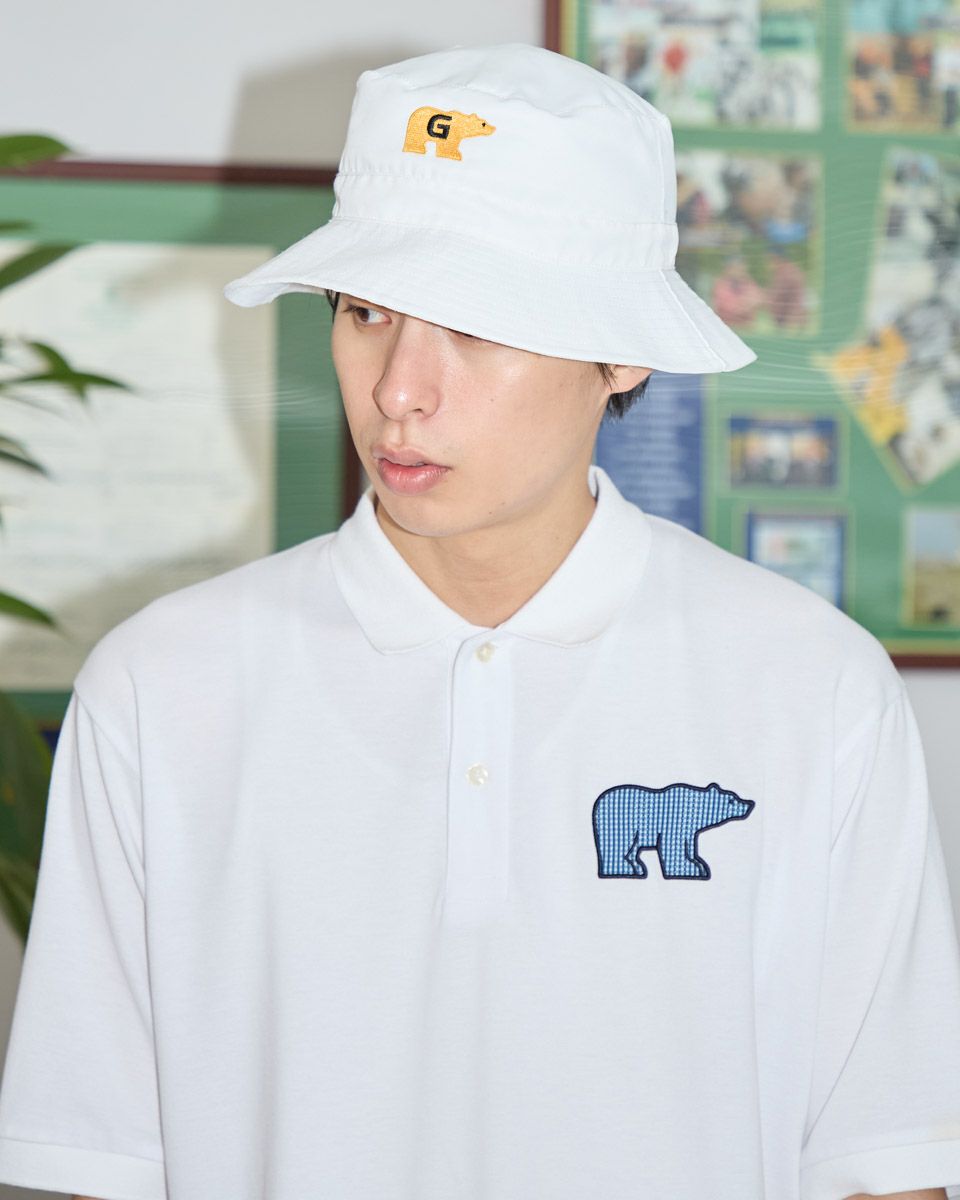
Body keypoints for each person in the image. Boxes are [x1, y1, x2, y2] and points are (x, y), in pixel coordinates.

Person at [0, 41, 959, 1200]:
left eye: (476, 320)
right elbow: (98, 1162)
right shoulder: (163, 688)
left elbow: (886, 1160)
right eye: (366, 311)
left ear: (623, 351)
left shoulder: (811, 689)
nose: (397, 389)